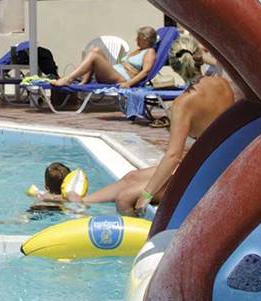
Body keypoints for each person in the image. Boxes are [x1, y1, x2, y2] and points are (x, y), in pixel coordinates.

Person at [79, 74, 236, 215]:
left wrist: (146, 195)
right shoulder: (220, 83)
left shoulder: (182, 104)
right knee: (132, 177)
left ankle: (141, 233)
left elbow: (173, 156)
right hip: (221, 166)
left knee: (125, 198)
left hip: (208, 178)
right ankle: (81, 202)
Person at [51, 27, 160, 88]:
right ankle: (84, 81)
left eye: (139, 38)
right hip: (116, 72)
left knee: (94, 55)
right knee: (96, 50)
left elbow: (145, 71)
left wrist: (129, 84)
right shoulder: (139, 50)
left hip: (123, 78)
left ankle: (68, 79)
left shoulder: (150, 52)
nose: (136, 40)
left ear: (146, 40)